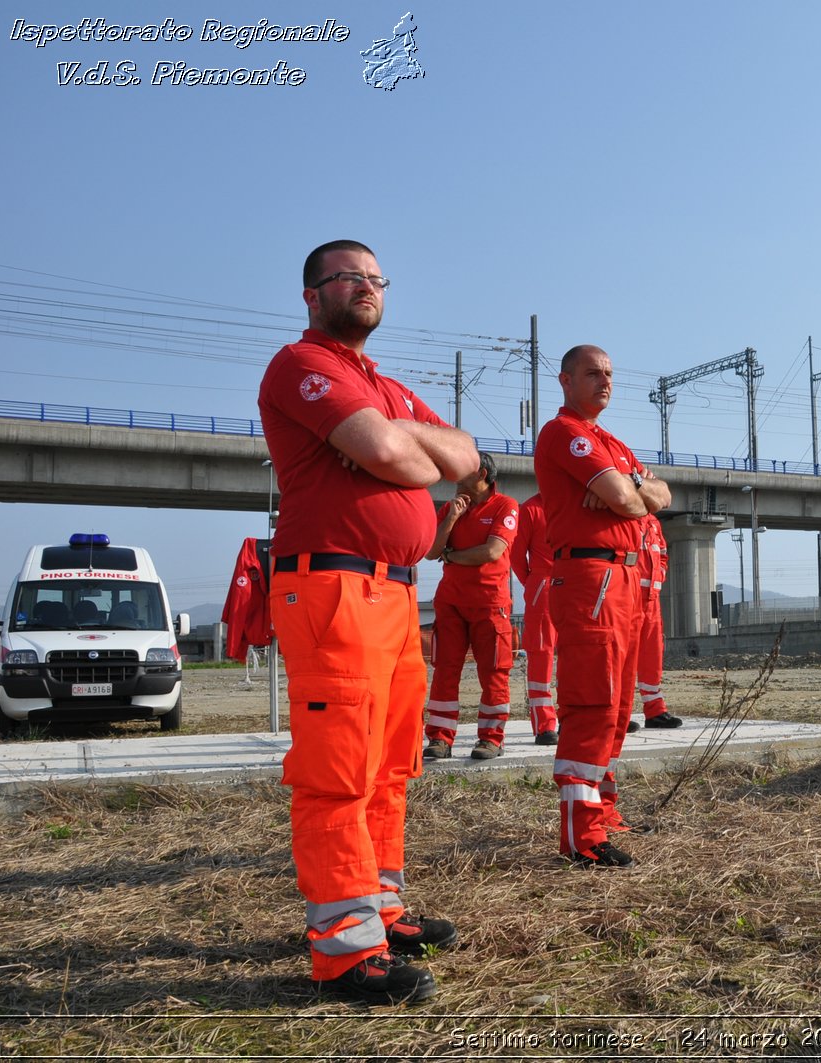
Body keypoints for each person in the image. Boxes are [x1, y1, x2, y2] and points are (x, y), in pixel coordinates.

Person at [259, 239, 478, 1004]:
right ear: (313, 294)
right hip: (332, 589)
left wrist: (401, 451)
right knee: (338, 772)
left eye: (375, 277)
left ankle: (381, 908)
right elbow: (402, 452)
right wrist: (400, 450)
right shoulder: (300, 363)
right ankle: (345, 951)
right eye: (347, 276)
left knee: (388, 764)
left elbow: (461, 458)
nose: (365, 285)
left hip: (392, 595)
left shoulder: (382, 383)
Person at [533, 344, 671, 869]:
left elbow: (659, 496)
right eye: (593, 373)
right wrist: (631, 492)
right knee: (592, 701)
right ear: (566, 381)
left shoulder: (609, 442)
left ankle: (603, 811)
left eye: (610, 374)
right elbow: (636, 501)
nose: (605, 381)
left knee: (616, 705)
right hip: (591, 574)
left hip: (624, 575)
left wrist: (631, 487)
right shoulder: (563, 432)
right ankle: (580, 834)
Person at [421, 451, 519, 760]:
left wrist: (452, 556)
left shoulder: (506, 506)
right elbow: (431, 552)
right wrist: (451, 519)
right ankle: (439, 738)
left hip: (490, 605)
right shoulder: (451, 508)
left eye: (461, 472)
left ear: (481, 475)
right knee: (445, 670)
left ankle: (491, 738)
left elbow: (490, 552)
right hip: (451, 603)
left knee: (493, 673)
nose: (454, 478)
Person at [508, 492, 559, 746]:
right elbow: (516, 553)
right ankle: (545, 725)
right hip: (545, 584)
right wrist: (532, 583)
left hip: (576, 582)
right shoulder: (530, 509)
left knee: (581, 653)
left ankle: (575, 719)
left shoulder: (573, 503)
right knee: (541, 654)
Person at [633, 512, 683, 729]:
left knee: (652, 656)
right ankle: (618, 713)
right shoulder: (622, 515)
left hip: (651, 598)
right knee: (621, 657)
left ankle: (655, 711)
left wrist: (660, 575)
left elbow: (662, 553)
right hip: (627, 596)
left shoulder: (653, 522)